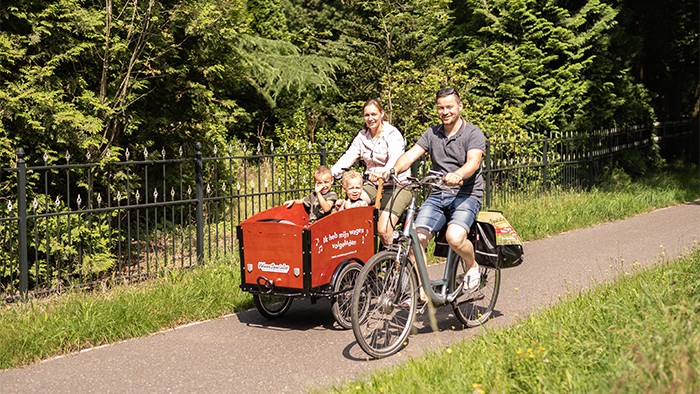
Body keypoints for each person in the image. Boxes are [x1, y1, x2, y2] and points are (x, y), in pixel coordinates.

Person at [388, 87, 485, 293]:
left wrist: (458, 174)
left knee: (454, 238)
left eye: (449, 106)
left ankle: (471, 265)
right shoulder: (432, 133)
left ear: (460, 106)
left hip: (466, 195)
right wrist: (394, 169)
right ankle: (423, 293)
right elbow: (410, 155)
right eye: (441, 108)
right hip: (438, 193)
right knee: (417, 240)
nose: (445, 111)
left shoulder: (473, 133)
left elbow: (474, 162)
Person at [330, 99, 411, 244]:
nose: (370, 118)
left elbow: (395, 157)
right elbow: (349, 156)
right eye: (367, 115)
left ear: (382, 114)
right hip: (373, 184)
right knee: (352, 207)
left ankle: (394, 262)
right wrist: (330, 175)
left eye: (374, 114)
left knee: (383, 229)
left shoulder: (392, 134)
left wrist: (386, 172)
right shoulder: (362, 136)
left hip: (397, 185)